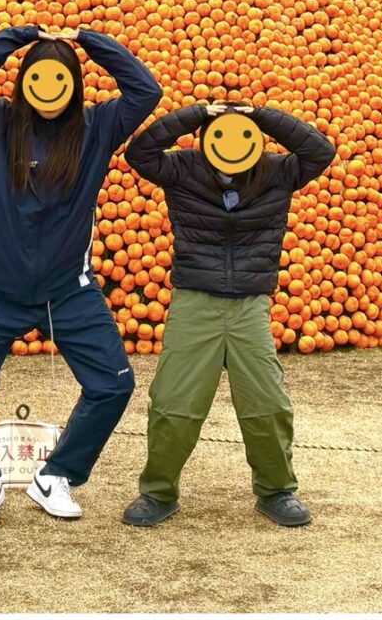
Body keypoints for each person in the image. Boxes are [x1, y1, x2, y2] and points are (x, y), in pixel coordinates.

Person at [0, 22, 162, 530]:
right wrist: (17, 36)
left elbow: (145, 90)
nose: (47, 89)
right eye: (38, 77)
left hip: (68, 291)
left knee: (113, 385)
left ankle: (56, 475)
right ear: (24, 82)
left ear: (74, 85)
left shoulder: (95, 128)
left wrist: (87, 39)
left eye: (58, 79)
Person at [120, 99, 334, 528]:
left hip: (249, 305)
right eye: (221, 135)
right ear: (205, 139)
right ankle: (158, 492)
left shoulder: (276, 172)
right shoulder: (183, 169)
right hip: (194, 301)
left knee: (266, 404)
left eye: (242, 136)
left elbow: (320, 151)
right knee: (173, 404)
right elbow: (140, 152)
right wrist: (198, 113)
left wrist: (261, 116)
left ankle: (276, 490)